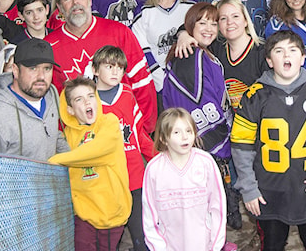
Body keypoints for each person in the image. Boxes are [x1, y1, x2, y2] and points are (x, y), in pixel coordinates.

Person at [230, 30, 306, 251]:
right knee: (272, 244)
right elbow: (241, 147)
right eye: (279, 51)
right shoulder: (253, 96)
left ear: (303, 58)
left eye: (293, 50)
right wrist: (249, 188)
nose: (287, 56)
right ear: (269, 60)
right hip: (268, 191)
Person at [159, 3, 238, 231]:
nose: (209, 28)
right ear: (191, 25)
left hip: (201, 146)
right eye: (202, 22)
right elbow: (193, 105)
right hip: (201, 145)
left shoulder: (202, 52)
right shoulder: (189, 56)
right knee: (202, 208)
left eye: (214, 23)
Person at [45, 0, 156, 131]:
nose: (76, 3)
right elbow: (56, 102)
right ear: (60, 8)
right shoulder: (50, 46)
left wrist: (144, 131)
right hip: (81, 139)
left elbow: (141, 82)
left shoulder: (118, 32)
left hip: (125, 134)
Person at [48, 76, 131, 251]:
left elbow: (96, 151)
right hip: (83, 215)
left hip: (110, 214)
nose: (87, 102)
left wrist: (57, 160)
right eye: (79, 99)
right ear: (70, 109)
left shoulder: (109, 122)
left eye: (90, 96)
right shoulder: (67, 135)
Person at [91, 45, 156, 251]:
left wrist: (157, 156)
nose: (115, 72)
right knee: (109, 239)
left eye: (119, 68)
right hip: (106, 180)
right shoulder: (87, 99)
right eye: (109, 66)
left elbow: (139, 134)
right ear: (95, 70)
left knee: (141, 235)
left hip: (134, 175)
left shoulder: (127, 94)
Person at [0, 39, 68, 161]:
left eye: (47, 69)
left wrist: (75, 161)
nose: (41, 76)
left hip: (47, 179)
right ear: (15, 70)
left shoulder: (51, 96)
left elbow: (53, 135)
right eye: (33, 68)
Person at [143, 108, 228, 251]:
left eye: (189, 131)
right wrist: (158, 247)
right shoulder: (154, 169)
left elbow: (218, 207)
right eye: (177, 132)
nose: (185, 137)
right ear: (164, 138)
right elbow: (149, 215)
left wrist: (215, 245)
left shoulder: (205, 162)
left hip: (203, 245)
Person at [131, 0, 194, 91]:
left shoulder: (191, 5)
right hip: (158, 82)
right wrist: (161, 80)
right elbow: (142, 50)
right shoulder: (143, 11)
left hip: (189, 77)